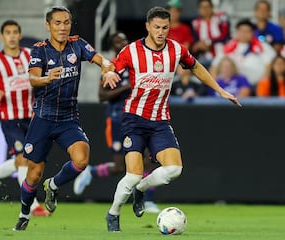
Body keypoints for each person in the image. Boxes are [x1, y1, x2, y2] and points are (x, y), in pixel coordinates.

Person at [102, 6, 241, 232]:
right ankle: (113, 213)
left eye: (165, 28)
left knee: (174, 170)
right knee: (132, 173)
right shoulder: (131, 51)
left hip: (159, 121)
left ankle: (142, 189)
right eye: (156, 27)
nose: (160, 32)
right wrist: (107, 71)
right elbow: (111, 65)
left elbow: (195, 67)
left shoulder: (176, 50)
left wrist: (220, 90)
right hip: (134, 119)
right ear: (147, 26)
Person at [13, 6, 116, 231]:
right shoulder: (39, 50)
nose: (62, 27)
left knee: (81, 159)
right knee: (34, 172)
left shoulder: (77, 44)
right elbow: (32, 79)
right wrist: (46, 78)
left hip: (68, 118)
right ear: (48, 25)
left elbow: (101, 59)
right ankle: (24, 213)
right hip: (43, 117)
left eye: (66, 22)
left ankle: (54, 184)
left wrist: (107, 69)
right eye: (57, 23)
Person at [73, 32, 160, 213]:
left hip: (139, 117)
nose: (122, 43)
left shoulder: (138, 63)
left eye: (125, 40)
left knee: (148, 160)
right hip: (117, 118)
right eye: (118, 41)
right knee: (121, 166)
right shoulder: (112, 67)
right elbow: (102, 95)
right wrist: (127, 87)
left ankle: (147, 200)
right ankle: (92, 172)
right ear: (112, 47)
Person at [0, 20, 50, 217]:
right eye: (8, 32)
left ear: (20, 35)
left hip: (31, 115)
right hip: (10, 118)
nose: (12, 36)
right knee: (23, 159)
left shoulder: (29, 55)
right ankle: (32, 206)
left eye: (15, 32)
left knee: (26, 160)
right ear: (2, 36)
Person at [210, 18, 276, 89]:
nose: (244, 34)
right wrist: (216, 87)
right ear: (237, 32)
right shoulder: (227, 47)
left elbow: (269, 66)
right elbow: (214, 66)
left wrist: (264, 84)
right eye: (241, 31)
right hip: (230, 86)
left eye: (247, 31)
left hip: (256, 86)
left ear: (253, 33)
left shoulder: (263, 46)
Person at [191, 0, 230, 69]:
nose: (205, 9)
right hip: (204, 57)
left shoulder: (221, 18)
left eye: (207, 7)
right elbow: (195, 42)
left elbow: (225, 37)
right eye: (202, 7)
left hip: (221, 54)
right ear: (199, 9)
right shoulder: (195, 23)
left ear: (212, 8)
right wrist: (200, 46)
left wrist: (208, 42)